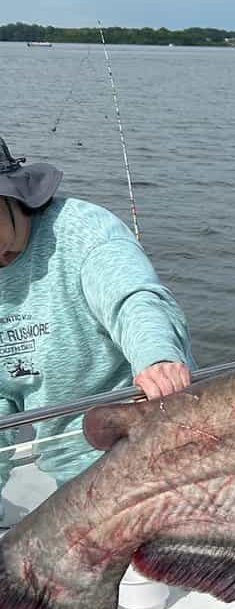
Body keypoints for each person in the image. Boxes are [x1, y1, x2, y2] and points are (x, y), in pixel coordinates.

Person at [0, 137, 194, 519]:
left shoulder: (83, 231)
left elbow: (133, 299)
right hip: (67, 477)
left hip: (149, 459)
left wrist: (157, 359)